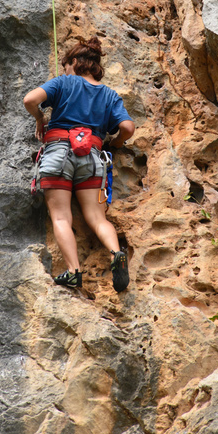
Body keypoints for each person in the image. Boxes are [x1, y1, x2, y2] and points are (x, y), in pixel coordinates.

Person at [23, 37, 135, 292]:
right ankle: (116, 253)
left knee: (61, 217)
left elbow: (30, 100)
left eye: (65, 65)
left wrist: (41, 118)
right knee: (96, 217)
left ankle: (74, 271)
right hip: (93, 157)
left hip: (58, 152)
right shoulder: (109, 95)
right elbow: (128, 127)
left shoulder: (64, 82)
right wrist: (115, 145)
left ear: (74, 62)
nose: (64, 70)